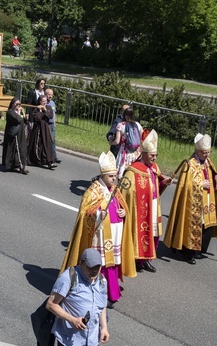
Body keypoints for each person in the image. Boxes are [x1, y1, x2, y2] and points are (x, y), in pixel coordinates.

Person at [61, 151, 136, 308]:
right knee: (101, 264)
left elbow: (122, 207)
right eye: (110, 176)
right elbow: (84, 213)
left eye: (115, 176)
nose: (114, 179)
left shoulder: (114, 189)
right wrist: (96, 214)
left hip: (114, 233)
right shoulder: (93, 191)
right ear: (102, 176)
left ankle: (112, 291)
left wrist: (124, 213)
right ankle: (101, 293)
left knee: (113, 263)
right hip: (100, 236)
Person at [164, 133, 217, 264]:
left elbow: (214, 179)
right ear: (197, 151)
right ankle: (188, 253)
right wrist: (200, 185)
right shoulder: (190, 164)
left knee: (207, 226)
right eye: (204, 152)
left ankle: (199, 249)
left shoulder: (208, 162)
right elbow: (185, 186)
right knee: (192, 225)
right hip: (193, 203)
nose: (207, 155)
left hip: (208, 200)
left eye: (208, 152)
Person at [121, 130, 172, 272]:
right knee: (141, 233)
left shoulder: (154, 167)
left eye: (156, 155)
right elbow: (126, 192)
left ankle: (147, 259)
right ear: (143, 154)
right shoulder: (133, 170)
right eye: (152, 155)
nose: (154, 158)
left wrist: (164, 183)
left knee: (154, 233)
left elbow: (156, 185)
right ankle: (137, 259)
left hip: (154, 204)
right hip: (141, 208)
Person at [46, 248, 109, 346]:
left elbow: (101, 306)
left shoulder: (102, 281)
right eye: (90, 267)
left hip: (92, 340)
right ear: (81, 263)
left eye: (98, 267)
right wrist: (73, 320)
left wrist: (104, 328)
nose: (95, 271)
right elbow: (51, 304)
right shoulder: (68, 278)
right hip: (70, 341)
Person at [108, 107, 143, 178]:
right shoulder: (137, 124)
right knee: (133, 173)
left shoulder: (121, 125)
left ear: (125, 115)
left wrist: (111, 142)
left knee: (122, 173)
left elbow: (117, 141)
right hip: (136, 153)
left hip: (125, 153)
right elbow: (142, 138)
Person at [27, 95, 56, 169]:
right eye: (43, 101)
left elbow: (50, 116)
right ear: (40, 101)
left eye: (45, 101)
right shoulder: (36, 109)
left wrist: (45, 110)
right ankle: (36, 160)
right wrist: (40, 111)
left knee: (48, 145)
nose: (45, 102)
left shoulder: (48, 108)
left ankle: (50, 162)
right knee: (37, 145)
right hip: (38, 129)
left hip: (46, 129)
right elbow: (37, 119)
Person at [2, 98, 28, 174]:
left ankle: (21, 165)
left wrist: (25, 116)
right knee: (14, 149)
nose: (18, 106)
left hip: (20, 133)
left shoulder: (17, 112)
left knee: (22, 149)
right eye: (16, 104)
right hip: (13, 133)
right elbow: (18, 119)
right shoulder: (10, 112)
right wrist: (19, 113)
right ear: (12, 104)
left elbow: (24, 121)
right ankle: (15, 166)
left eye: (19, 104)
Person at [45, 88, 61, 163]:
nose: (50, 96)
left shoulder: (52, 103)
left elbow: (54, 113)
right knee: (46, 141)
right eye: (49, 94)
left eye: (51, 94)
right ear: (45, 94)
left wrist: (54, 122)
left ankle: (54, 157)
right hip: (46, 124)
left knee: (53, 141)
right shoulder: (44, 103)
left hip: (52, 124)